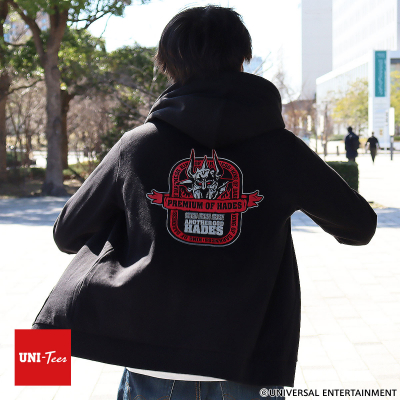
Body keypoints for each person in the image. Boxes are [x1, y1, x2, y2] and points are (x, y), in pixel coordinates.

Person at [31, 6, 377, 400]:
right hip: (247, 364)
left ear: (168, 64)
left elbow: (66, 234)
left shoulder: (136, 147)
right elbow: (359, 226)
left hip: (150, 361)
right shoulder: (282, 150)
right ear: (242, 58)